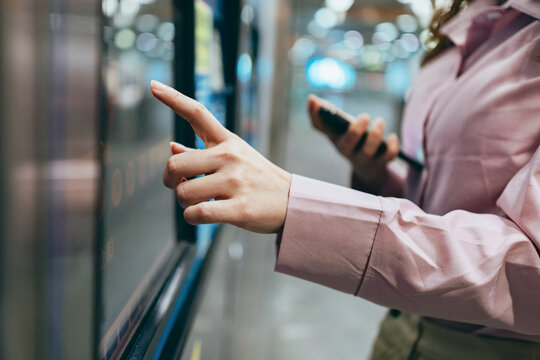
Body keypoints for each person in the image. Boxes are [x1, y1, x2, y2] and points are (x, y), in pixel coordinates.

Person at [151, 0, 540, 358]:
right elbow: (442, 205)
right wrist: (376, 178)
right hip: (403, 328)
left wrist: (298, 205)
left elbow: (530, 268)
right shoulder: (465, 26)